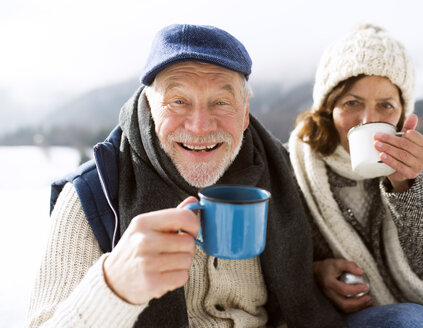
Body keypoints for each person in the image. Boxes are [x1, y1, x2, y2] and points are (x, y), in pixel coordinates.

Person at [26, 24, 345, 327]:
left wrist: (316, 271)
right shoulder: (94, 192)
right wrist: (112, 288)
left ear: (245, 113)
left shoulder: (281, 171)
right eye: (178, 102)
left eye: (221, 102)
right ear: (150, 109)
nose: (200, 126)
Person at [288, 24, 423, 328]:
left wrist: (407, 186)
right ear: (328, 109)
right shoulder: (295, 166)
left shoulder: (413, 162)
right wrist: (316, 271)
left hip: (421, 304)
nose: (368, 120)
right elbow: (275, 268)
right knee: (413, 320)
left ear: (401, 114)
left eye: (385, 105)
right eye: (351, 103)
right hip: (340, 317)